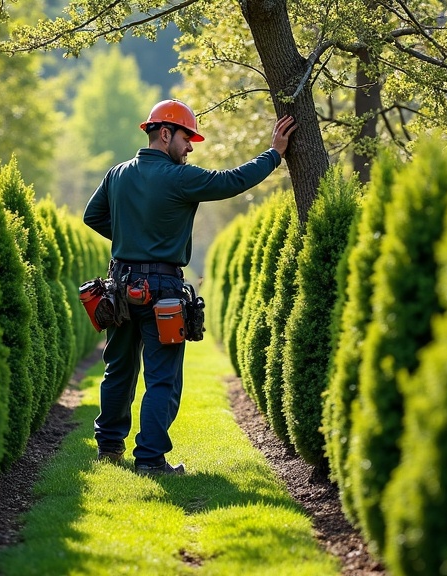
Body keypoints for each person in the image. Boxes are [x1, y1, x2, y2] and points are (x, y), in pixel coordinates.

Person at [83, 98, 297, 476]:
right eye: (186, 137)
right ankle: (149, 460)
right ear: (164, 133)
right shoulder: (179, 178)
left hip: (118, 285)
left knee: (117, 369)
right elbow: (232, 181)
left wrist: (131, 240)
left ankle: (109, 449)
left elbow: (92, 215)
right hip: (163, 287)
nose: (190, 146)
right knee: (162, 377)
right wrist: (274, 154)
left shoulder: (117, 174)